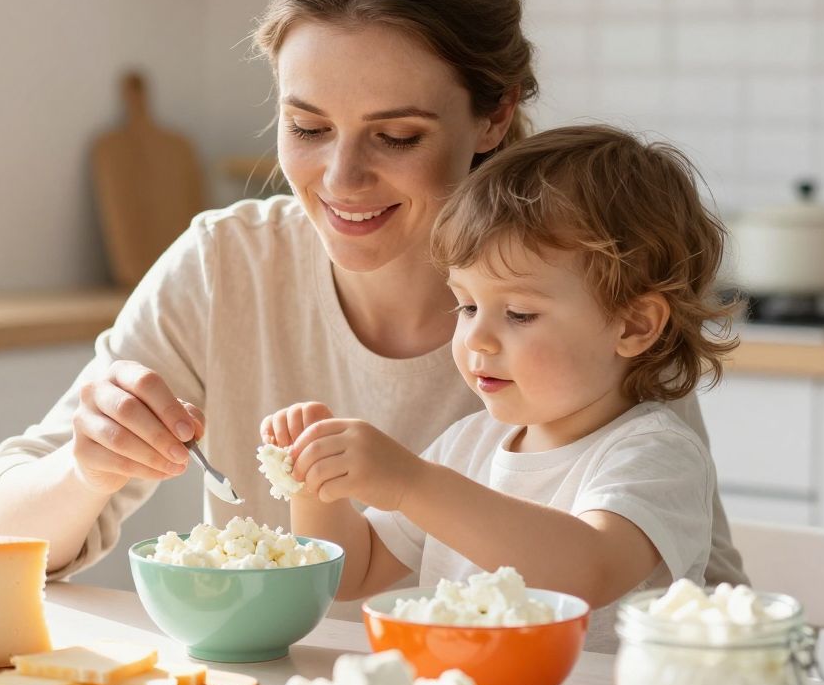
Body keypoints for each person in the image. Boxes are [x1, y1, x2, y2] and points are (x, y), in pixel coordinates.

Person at [0, 0, 747, 597]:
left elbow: (613, 570)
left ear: (495, 114)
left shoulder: (583, 289)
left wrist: (407, 482)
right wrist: (86, 469)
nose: (341, 178)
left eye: (397, 136)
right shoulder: (228, 268)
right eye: (306, 127)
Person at [266, 125, 735, 651]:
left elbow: (588, 571)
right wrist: (314, 486)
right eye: (466, 306)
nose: (477, 339)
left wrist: (413, 484)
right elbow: (354, 573)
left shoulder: (655, 454)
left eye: (519, 313)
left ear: (633, 326)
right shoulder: (470, 444)